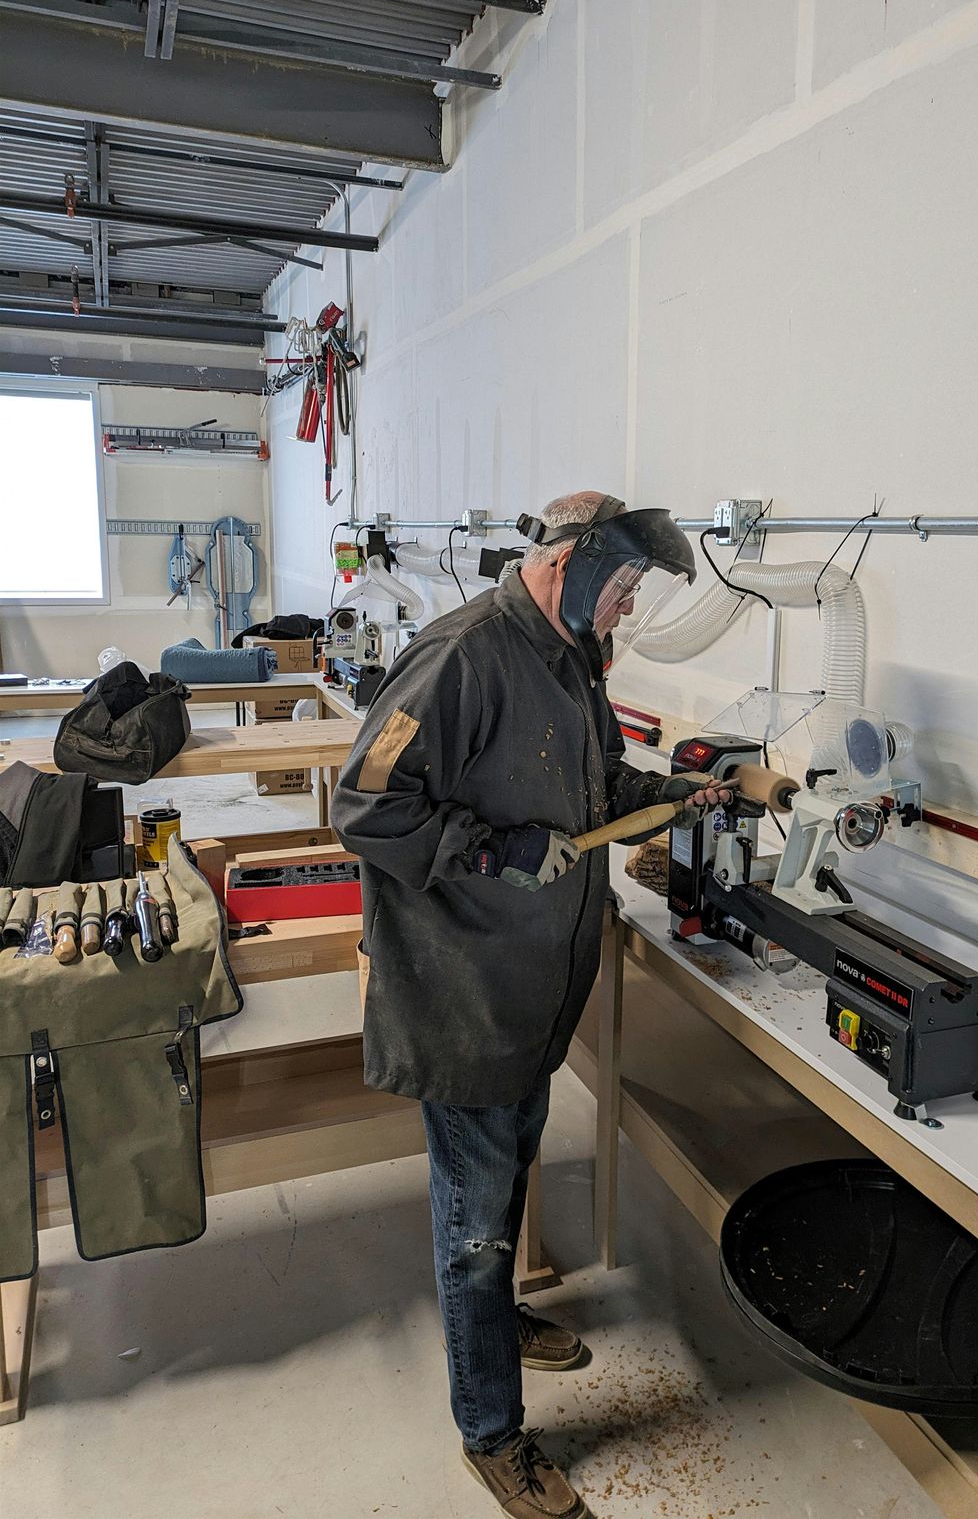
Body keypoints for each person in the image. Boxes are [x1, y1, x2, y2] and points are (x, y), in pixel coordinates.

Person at [332, 492, 731, 1519]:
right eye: (627, 585)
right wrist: (492, 844)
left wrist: (672, 792)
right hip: (461, 985)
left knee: (501, 1183)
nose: (631, 607)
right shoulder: (461, 655)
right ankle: (491, 1430)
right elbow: (367, 806)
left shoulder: (572, 656)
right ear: (566, 565)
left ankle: (492, 1324)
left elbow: (594, 779)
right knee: (473, 1219)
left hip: (528, 988)